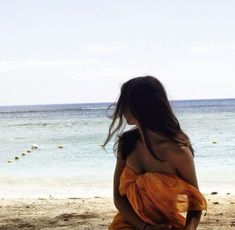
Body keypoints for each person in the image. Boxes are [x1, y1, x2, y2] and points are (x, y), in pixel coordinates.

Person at [102, 76, 207, 230]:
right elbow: (118, 198)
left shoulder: (178, 152)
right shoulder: (127, 143)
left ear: (140, 106)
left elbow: (195, 204)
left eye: (126, 103)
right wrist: (145, 228)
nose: (122, 109)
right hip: (128, 224)